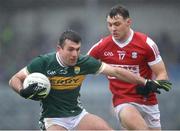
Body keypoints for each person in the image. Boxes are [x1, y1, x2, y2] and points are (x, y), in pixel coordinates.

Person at [9, 30, 170, 130]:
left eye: (78, 49)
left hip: (78, 116)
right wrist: (22, 90)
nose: (75, 54)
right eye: (70, 49)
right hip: (53, 119)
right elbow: (14, 79)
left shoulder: (83, 62)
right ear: (59, 49)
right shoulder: (43, 62)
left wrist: (146, 82)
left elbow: (116, 71)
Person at [88, 5, 172, 130]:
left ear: (128, 22)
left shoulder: (146, 44)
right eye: (109, 25)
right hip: (123, 102)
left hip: (148, 102)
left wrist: (154, 85)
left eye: (117, 24)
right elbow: (82, 66)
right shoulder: (101, 46)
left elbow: (162, 73)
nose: (113, 29)